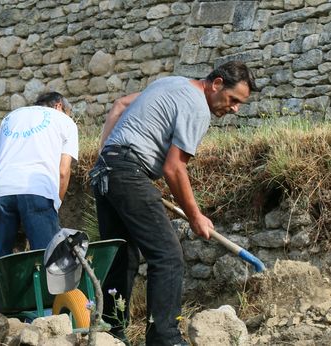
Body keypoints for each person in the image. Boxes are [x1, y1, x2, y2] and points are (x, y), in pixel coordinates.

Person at [91, 60, 257, 345]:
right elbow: (174, 169)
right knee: (167, 255)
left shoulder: (171, 83)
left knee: (121, 257)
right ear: (216, 84)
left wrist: (103, 159)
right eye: (233, 100)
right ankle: (164, 338)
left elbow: (120, 105)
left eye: (240, 104)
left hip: (106, 171)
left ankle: (111, 334)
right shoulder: (198, 106)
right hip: (128, 173)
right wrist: (195, 216)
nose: (234, 109)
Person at [0, 92, 79, 262]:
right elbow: (63, 172)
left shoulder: (11, 117)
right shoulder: (65, 121)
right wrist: (55, 204)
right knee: (48, 259)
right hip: (37, 189)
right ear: (59, 106)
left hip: (0, 190)